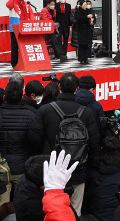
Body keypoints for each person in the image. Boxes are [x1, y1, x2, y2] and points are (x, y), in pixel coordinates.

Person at [29, 72, 100, 212]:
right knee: (75, 210)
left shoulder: (45, 110)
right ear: (77, 89)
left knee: (52, 208)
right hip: (77, 169)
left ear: (59, 86)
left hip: (52, 169)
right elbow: (94, 142)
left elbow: (34, 138)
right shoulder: (86, 112)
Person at [0, 80, 36, 203]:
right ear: (22, 97)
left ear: (5, 97)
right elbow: (33, 141)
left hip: (1, 166)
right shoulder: (30, 115)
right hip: (22, 165)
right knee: (24, 203)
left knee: (3, 205)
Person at [6, 0, 34, 68]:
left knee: (24, 46)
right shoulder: (13, 3)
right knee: (15, 47)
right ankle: (14, 64)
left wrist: (31, 23)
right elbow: (8, 5)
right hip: (15, 28)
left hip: (25, 28)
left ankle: (24, 62)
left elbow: (31, 14)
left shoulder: (27, 4)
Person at [73, 0, 94, 65]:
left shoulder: (88, 11)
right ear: (81, 5)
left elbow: (92, 17)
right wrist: (86, 17)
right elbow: (78, 18)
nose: (86, 6)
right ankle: (81, 59)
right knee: (81, 45)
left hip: (87, 30)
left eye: (86, 4)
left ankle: (86, 59)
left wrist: (92, 20)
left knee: (87, 45)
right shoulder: (78, 11)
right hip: (81, 30)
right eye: (84, 4)